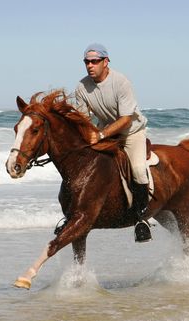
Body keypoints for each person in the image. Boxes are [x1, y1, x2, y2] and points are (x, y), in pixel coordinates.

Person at [75, 43, 152, 243]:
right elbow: (84, 120)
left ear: (106, 62)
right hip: (106, 133)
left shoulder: (121, 82)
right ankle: (73, 213)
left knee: (137, 169)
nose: (90, 65)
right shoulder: (82, 87)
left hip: (131, 133)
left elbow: (126, 119)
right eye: (87, 62)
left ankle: (141, 219)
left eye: (94, 61)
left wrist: (100, 135)